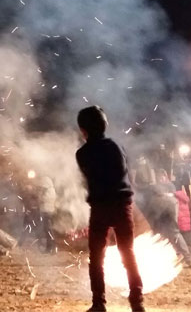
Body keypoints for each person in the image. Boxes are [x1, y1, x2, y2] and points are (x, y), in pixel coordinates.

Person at [75, 106, 144, 312]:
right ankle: (137, 302)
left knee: (96, 257)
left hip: (100, 207)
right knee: (128, 253)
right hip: (122, 205)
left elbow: (87, 179)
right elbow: (125, 170)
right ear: (105, 124)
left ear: (83, 130)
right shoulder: (116, 146)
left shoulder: (82, 154)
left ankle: (99, 303)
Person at [37, 175, 57, 253]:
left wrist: (40, 196)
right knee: (47, 230)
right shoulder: (51, 190)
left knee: (48, 230)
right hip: (47, 211)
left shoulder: (49, 192)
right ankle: (50, 248)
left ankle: (51, 248)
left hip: (47, 212)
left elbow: (43, 199)